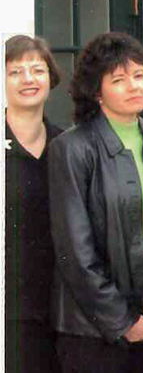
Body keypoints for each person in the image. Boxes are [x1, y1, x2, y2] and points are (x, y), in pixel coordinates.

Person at [49, 32, 143, 373]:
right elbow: (75, 253)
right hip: (93, 331)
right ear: (97, 91)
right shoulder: (73, 149)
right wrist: (122, 320)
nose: (134, 86)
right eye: (119, 80)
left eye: (139, 76)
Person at [6, 35, 64, 373]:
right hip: (9, 315)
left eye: (36, 69)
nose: (28, 79)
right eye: (15, 72)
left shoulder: (67, 145)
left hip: (60, 313)